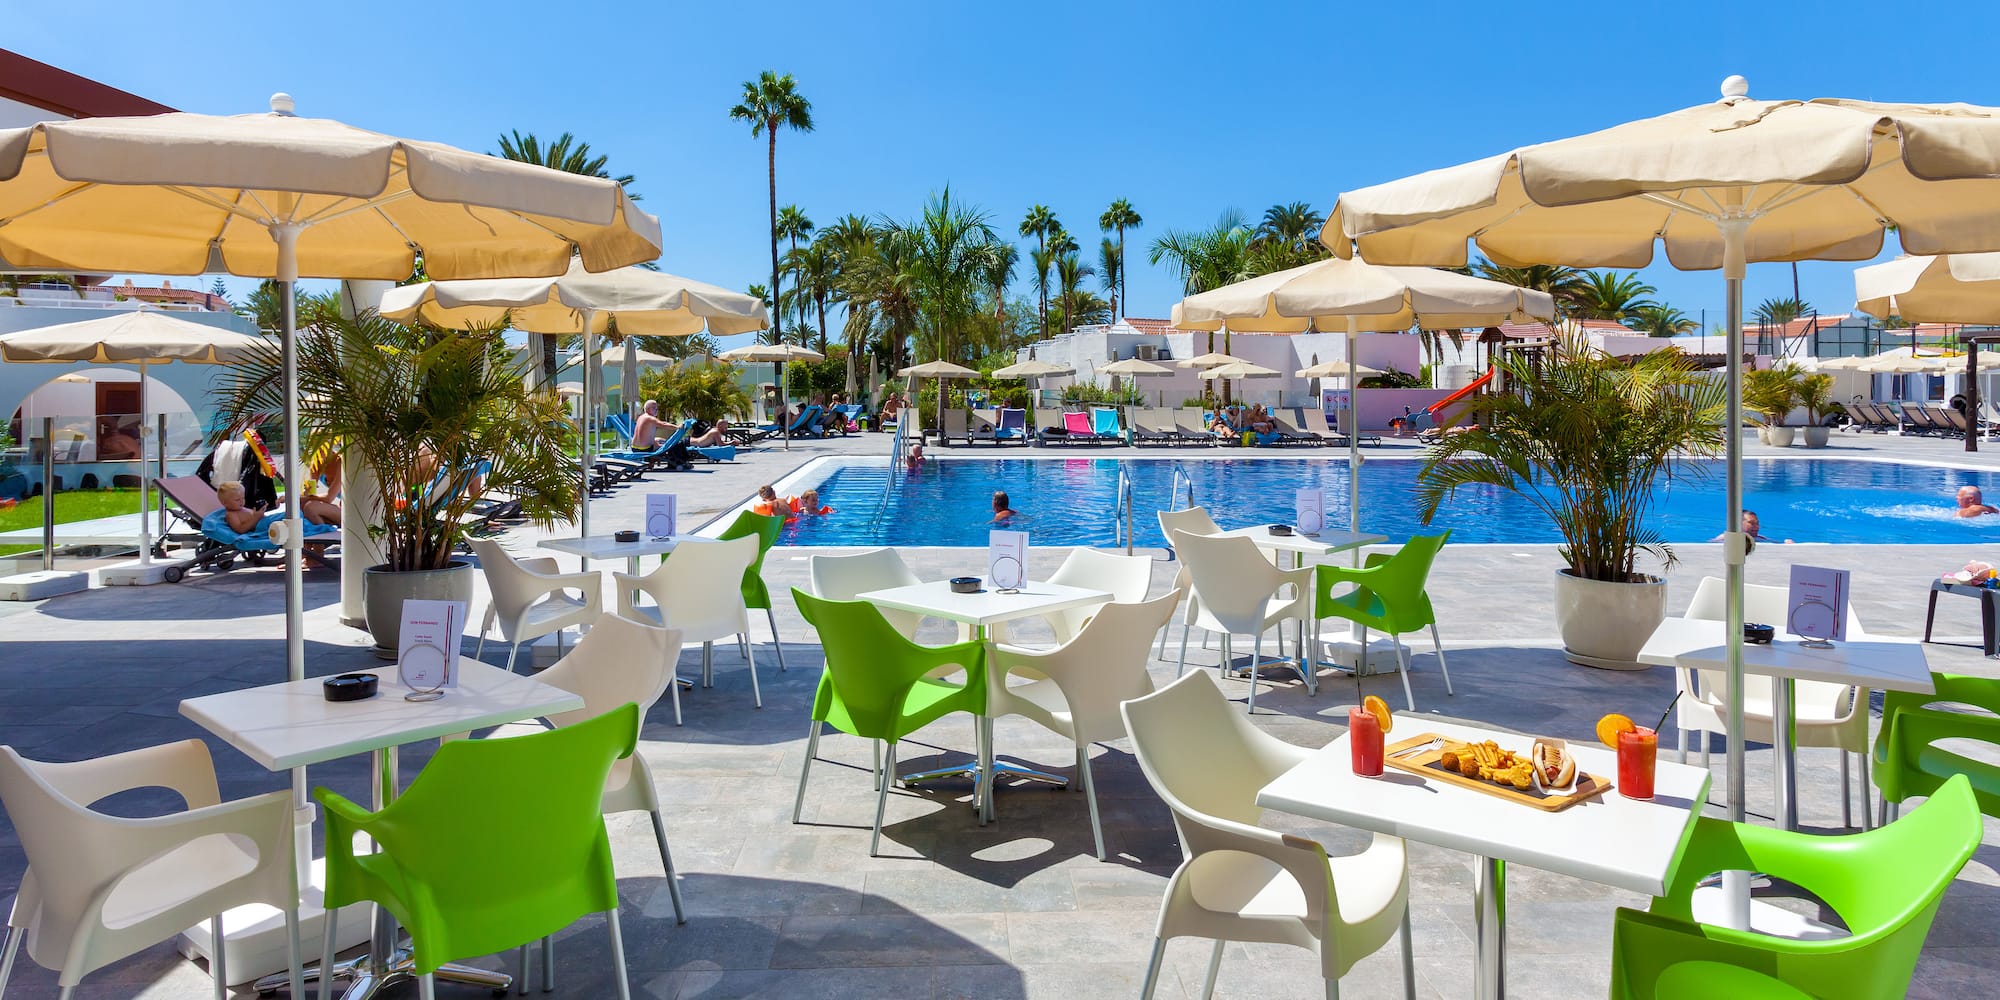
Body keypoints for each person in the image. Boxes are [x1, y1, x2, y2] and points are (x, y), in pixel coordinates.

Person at [1714, 509, 1788, 543]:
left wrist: (1788, 545)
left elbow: (1778, 545)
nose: (1756, 527)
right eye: (1752, 523)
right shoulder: (1724, 538)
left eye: (1757, 523)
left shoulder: (1761, 538)